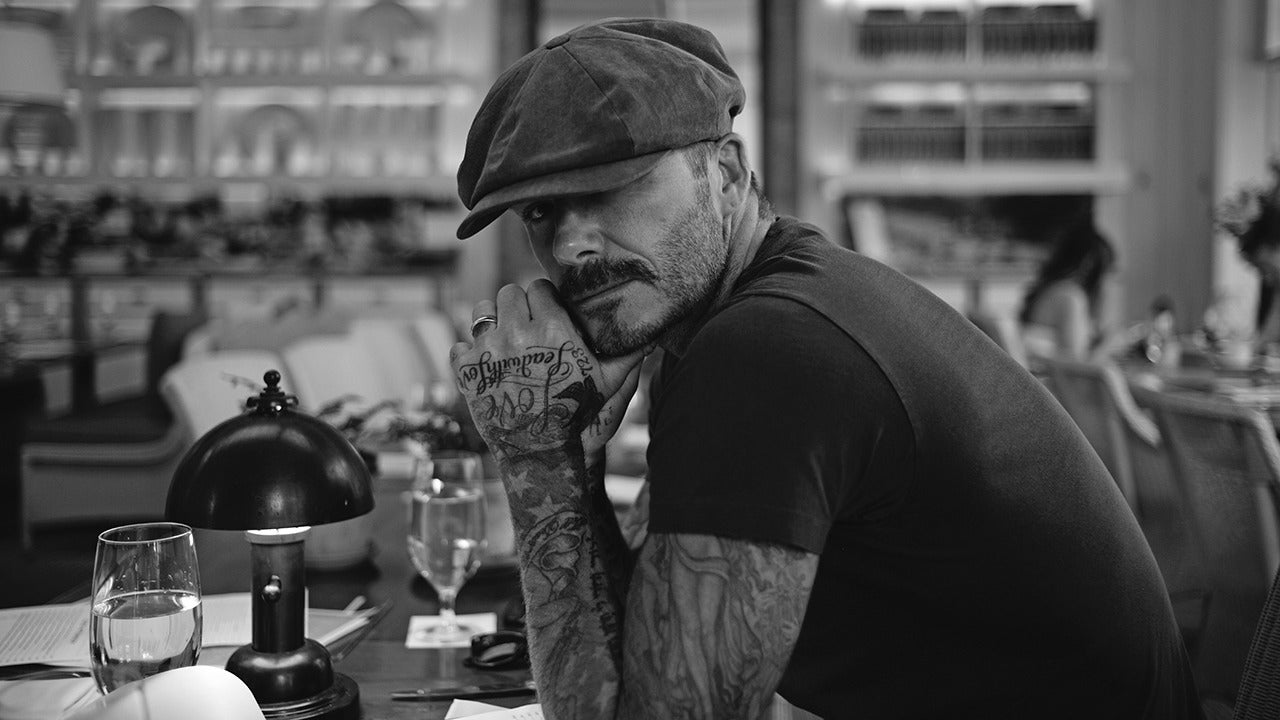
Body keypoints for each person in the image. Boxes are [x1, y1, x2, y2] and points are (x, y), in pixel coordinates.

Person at [447, 17, 1204, 720]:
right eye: (541, 212)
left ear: (726, 174)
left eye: (609, 187)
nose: (571, 245)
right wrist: (571, 456)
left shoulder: (766, 350)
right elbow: (640, 656)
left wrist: (536, 458)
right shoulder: (722, 324)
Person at [1018, 216, 1118, 360]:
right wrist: (1111, 343)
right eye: (1107, 272)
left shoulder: (1052, 289)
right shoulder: (1069, 297)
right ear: (1092, 268)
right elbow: (1078, 363)